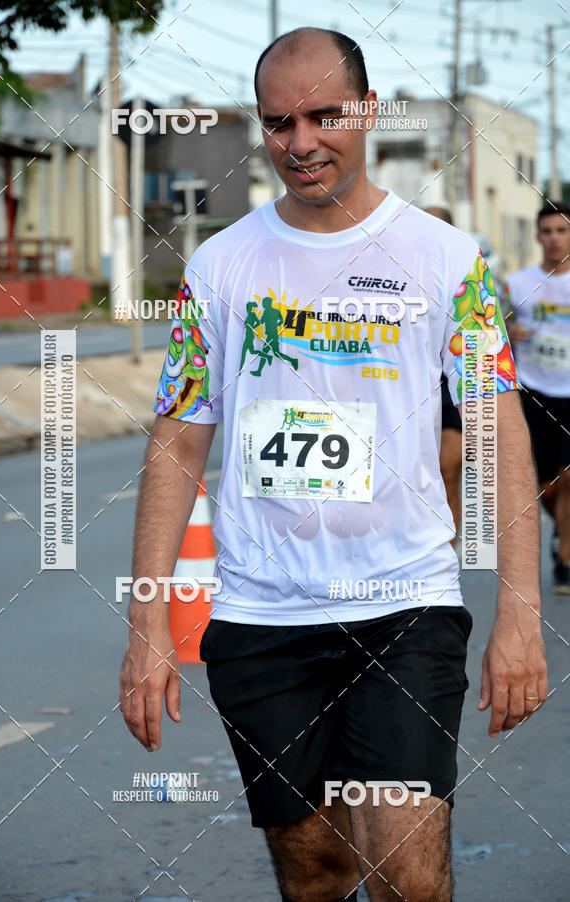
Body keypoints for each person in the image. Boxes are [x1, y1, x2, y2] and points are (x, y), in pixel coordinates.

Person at [120, 28, 548, 902]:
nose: (300, 142)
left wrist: (520, 613)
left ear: (367, 111)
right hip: (260, 615)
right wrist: (148, 627)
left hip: (405, 604)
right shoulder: (219, 266)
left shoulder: (446, 260)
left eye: (323, 116)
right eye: (279, 122)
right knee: (312, 869)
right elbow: (177, 441)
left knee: (405, 867)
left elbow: (500, 432)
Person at [505, 201, 570, 593]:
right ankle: (564, 534)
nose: (554, 239)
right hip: (534, 391)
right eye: (547, 231)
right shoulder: (517, 283)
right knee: (546, 485)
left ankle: (565, 560)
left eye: (562, 231)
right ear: (537, 236)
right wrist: (509, 332)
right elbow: (492, 328)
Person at [425, 206, 463, 546]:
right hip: (406, 391)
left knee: (447, 469)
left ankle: (447, 555)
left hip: (451, 389)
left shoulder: (465, 272)